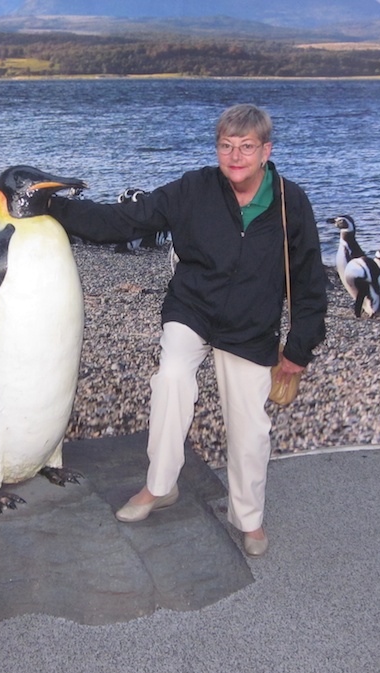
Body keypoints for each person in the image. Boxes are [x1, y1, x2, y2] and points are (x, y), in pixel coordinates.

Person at [48, 103, 327, 557]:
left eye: (247, 147)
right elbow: (126, 220)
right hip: (192, 309)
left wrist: (299, 348)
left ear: (266, 150)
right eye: (226, 146)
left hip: (251, 327)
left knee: (251, 426)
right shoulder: (194, 189)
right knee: (172, 381)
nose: (235, 157)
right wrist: (53, 206)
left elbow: (310, 281)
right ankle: (159, 486)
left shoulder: (289, 202)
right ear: (217, 148)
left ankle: (249, 518)